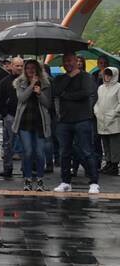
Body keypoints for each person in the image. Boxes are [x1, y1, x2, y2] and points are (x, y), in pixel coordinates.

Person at [53, 52, 100, 194]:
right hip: (64, 120)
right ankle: (65, 181)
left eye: (70, 61)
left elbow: (86, 93)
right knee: (64, 152)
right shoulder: (61, 78)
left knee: (87, 151)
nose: (67, 64)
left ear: (76, 61)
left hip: (82, 119)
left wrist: (66, 95)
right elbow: (55, 91)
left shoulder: (86, 77)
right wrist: (69, 78)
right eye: (65, 61)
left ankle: (94, 182)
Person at [14, 59, 53, 191]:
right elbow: (21, 98)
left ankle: (40, 179)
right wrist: (31, 86)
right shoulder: (20, 83)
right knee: (28, 152)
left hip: (40, 122)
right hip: (25, 121)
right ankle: (28, 179)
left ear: (38, 70)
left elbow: (48, 104)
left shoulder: (46, 84)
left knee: (40, 152)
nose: (30, 71)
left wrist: (40, 93)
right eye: (28, 68)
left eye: (33, 68)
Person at [0, 57, 23, 179]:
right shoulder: (5, 82)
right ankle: (8, 168)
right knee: (8, 143)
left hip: (24, 115)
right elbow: (0, 99)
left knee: (26, 143)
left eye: (21, 66)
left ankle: (26, 167)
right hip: (10, 115)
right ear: (11, 66)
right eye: (17, 65)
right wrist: (4, 113)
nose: (19, 68)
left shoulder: (26, 81)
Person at [94, 66, 120, 175]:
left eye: (109, 74)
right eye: (105, 74)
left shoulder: (118, 87)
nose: (107, 76)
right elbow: (97, 102)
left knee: (114, 144)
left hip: (114, 120)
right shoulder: (101, 88)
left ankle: (114, 165)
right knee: (105, 143)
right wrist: (96, 111)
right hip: (101, 119)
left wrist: (114, 113)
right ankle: (108, 163)